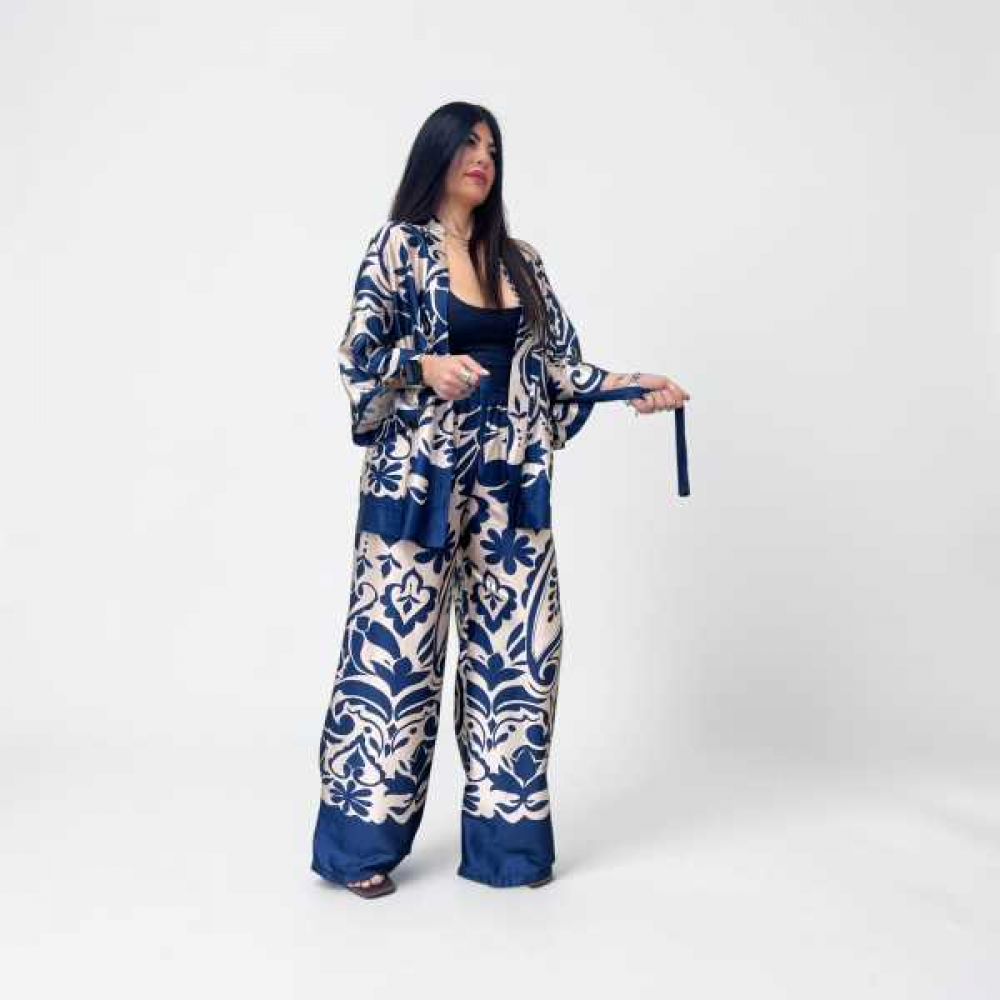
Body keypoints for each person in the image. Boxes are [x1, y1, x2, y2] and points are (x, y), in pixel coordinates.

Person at [310, 101, 690, 899]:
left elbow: (558, 369)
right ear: (436, 155)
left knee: (521, 657)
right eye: (467, 143)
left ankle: (507, 850)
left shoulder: (521, 261)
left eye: (492, 145)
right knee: (395, 662)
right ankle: (358, 848)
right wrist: (424, 368)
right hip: (416, 489)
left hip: (508, 489)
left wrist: (635, 386)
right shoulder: (397, 247)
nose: (482, 156)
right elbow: (358, 356)